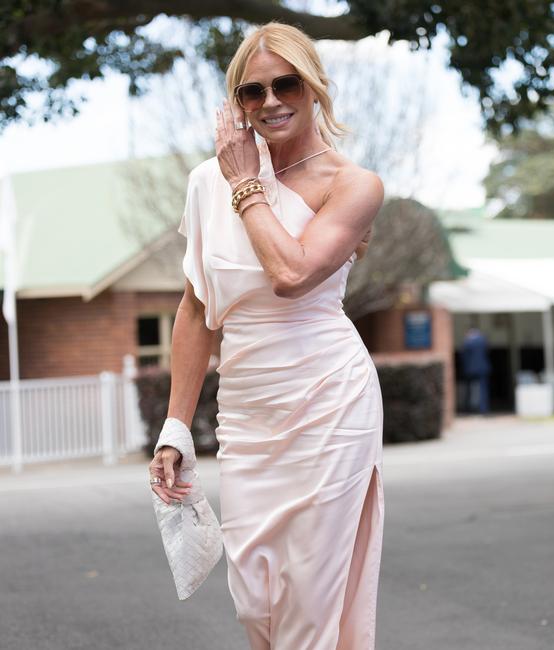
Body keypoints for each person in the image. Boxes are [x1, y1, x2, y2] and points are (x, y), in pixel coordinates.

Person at [147, 21, 385, 649]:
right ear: (236, 103)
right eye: (253, 92)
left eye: (287, 84)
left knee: (311, 597)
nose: (271, 101)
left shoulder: (352, 184)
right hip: (249, 410)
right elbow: (198, 310)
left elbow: (291, 273)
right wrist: (176, 426)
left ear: (313, 88)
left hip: (330, 399)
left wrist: (246, 184)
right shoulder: (206, 182)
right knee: (255, 601)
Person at [461, 324, 492, 415]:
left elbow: (463, 357)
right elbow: (488, 352)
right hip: (483, 368)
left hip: (470, 368)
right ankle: (484, 409)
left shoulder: (467, 342)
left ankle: (468, 409)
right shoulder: (483, 340)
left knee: (469, 389)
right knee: (483, 389)